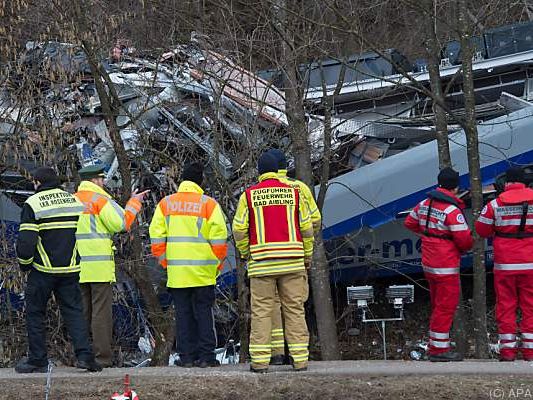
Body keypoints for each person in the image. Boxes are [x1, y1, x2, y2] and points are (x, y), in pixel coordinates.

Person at [232, 152, 314, 373]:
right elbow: (307, 228)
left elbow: (238, 229)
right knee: (295, 310)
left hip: (262, 265)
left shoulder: (248, 196)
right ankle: (300, 360)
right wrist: (307, 255)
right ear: (279, 170)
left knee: (261, 312)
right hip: (293, 262)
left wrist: (246, 253)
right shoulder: (295, 193)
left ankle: (259, 362)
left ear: (259, 172)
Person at [15, 167, 101, 373]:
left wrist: (25, 264)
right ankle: (85, 357)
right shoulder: (73, 201)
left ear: (37, 183)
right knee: (74, 313)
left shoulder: (33, 204)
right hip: (71, 268)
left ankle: (38, 360)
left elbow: (27, 241)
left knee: (35, 313)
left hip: (43, 269)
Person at [149, 162, 228, 368]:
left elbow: (156, 237)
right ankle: (207, 357)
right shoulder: (209, 204)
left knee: (183, 315)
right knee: (204, 313)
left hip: (177, 273)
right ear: (200, 181)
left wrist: (165, 262)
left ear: (182, 180)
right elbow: (220, 238)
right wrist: (216, 266)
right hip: (203, 271)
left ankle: (186, 357)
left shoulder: (166, 204)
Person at [75, 165, 149, 367]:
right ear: (95, 181)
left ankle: (81, 356)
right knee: (101, 313)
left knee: (81, 311)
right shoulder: (99, 200)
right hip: (98, 265)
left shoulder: (71, 199)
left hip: (75, 265)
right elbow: (121, 224)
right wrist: (134, 203)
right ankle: (102, 358)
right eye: (101, 179)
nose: (104, 182)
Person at [404, 167, 473, 362]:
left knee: (438, 305)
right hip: (446, 265)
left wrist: (427, 235)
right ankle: (439, 350)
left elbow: (409, 222)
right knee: (446, 306)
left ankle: (436, 345)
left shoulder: (425, 203)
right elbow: (464, 240)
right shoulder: (452, 210)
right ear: (455, 187)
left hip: (429, 263)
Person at [267, 148, 321, 365]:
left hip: (266, 258)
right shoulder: (300, 188)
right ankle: (297, 353)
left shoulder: (261, 190)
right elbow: (314, 220)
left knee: (271, 306)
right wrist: (303, 244)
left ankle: (276, 354)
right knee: (295, 305)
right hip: (295, 256)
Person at [475, 167, 533, 361]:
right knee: (530, 306)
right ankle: (530, 351)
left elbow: (481, 230)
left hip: (505, 264)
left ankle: (507, 352)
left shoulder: (494, 204)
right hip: (531, 263)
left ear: (506, 183)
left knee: (506, 306)